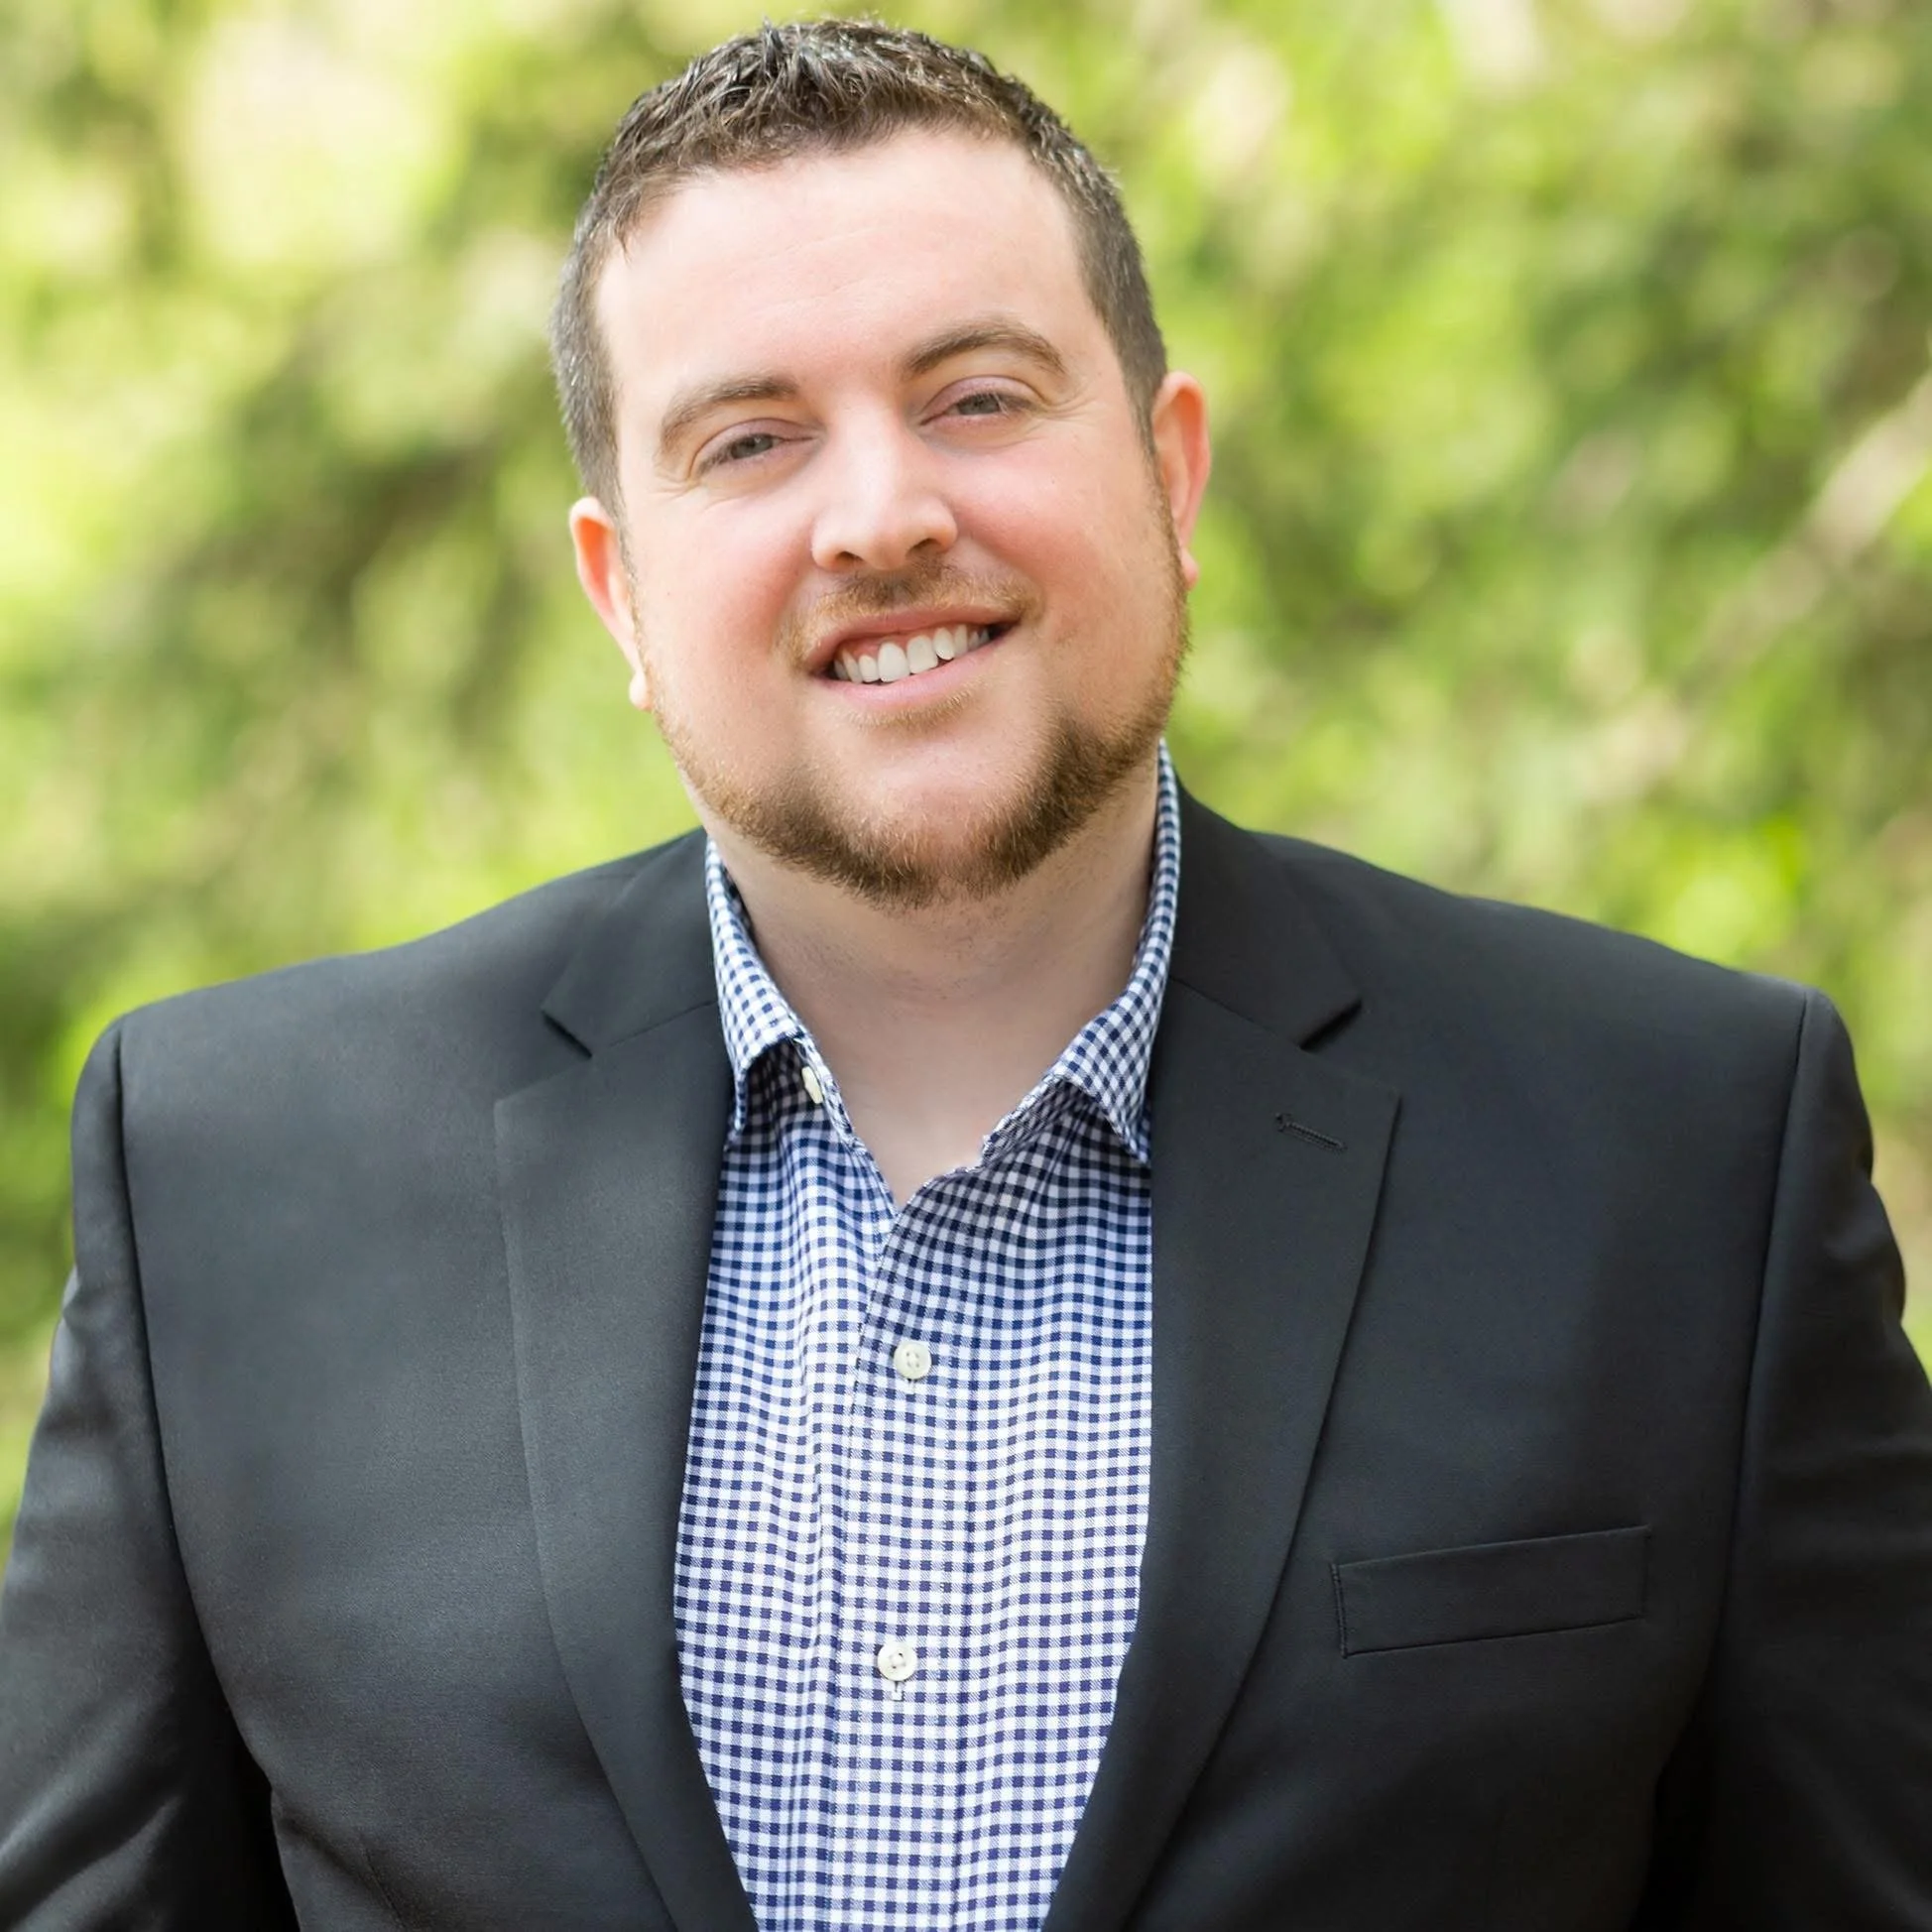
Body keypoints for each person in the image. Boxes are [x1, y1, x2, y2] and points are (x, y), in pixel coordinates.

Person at [2, 16, 1929, 1929]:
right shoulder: (225, 1182)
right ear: (622, 592)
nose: (881, 514)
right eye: (748, 440)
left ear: (1169, 476)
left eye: (979, 397)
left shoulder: (1681, 1154)